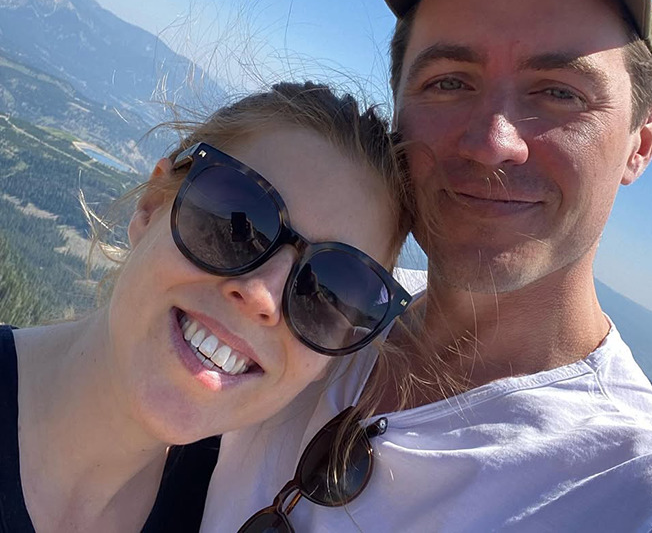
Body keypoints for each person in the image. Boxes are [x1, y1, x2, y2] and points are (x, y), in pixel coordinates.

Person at [201, 0, 652, 531]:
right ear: (399, 103)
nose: (492, 141)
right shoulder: (317, 304)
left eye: (559, 92)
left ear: (642, 143)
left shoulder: (647, 496)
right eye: (448, 81)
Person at [0, 81, 413, 532]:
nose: (262, 296)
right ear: (152, 206)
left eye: (326, 292)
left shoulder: (226, 511)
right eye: (238, 223)